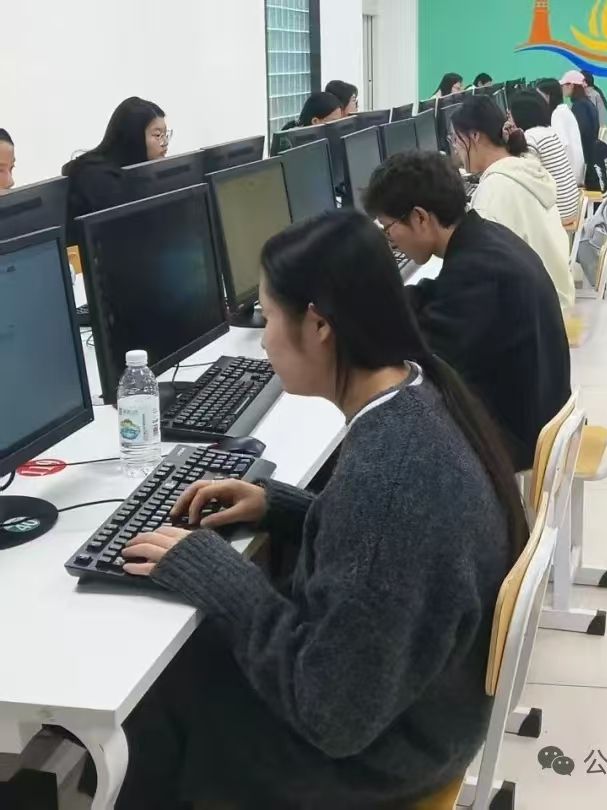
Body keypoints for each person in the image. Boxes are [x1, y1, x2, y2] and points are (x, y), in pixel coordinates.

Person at [111, 209, 527, 808]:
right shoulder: (415, 391)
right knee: (192, 653)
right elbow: (387, 554)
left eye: (270, 318)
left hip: (384, 753)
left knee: (161, 692)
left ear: (319, 325)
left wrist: (219, 573)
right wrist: (281, 505)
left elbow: (332, 713)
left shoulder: (391, 473)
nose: (263, 340)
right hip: (421, 705)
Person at [363, 151, 572, 471]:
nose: (390, 241)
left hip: (518, 435)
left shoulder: (475, 271)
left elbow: (422, 359)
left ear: (420, 218)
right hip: (540, 408)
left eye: (388, 229)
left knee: (381, 439)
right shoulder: (485, 238)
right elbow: (436, 295)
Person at [451, 96, 574, 309]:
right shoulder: (526, 166)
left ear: (475, 136)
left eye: (455, 139)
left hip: (535, 313)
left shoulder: (495, 190)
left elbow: (483, 274)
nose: (455, 149)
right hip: (555, 300)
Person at [61, 97, 168, 239]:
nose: (164, 142)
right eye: (158, 135)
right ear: (134, 137)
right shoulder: (98, 179)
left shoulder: (141, 174)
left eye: (166, 135)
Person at [509, 90, 580, 224]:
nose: (510, 120)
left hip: (560, 212)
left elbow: (525, 178)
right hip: (572, 206)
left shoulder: (530, 138)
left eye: (510, 115)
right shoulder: (549, 131)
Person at [537, 77, 585, 185]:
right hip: (575, 172)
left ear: (548, 96)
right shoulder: (563, 110)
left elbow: (560, 146)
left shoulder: (558, 114)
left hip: (569, 177)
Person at [561, 70, 601, 189]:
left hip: (585, 167)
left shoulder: (580, 107)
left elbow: (578, 135)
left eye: (564, 85)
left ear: (571, 85)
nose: (562, 88)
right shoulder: (585, 103)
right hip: (589, 161)